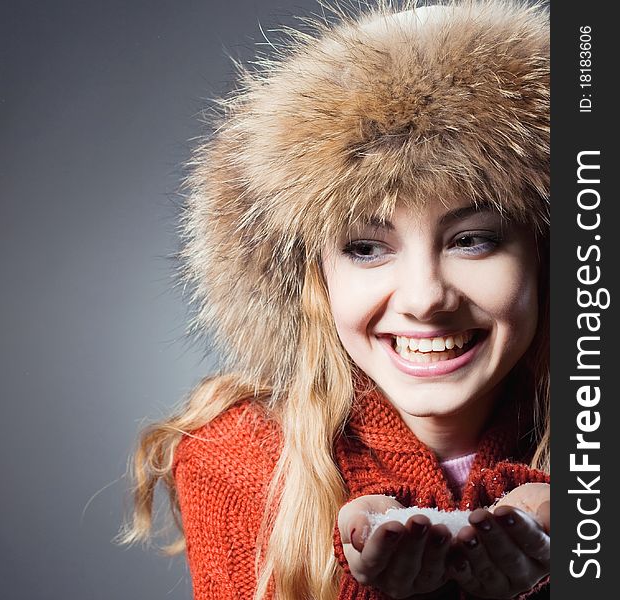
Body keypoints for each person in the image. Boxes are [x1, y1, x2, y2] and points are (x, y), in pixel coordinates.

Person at [120, 1, 550, 598]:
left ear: (547, 256)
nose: (425, 299)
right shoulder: (238, 461)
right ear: (314, 278)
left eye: (473, 239)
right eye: (367, 248)